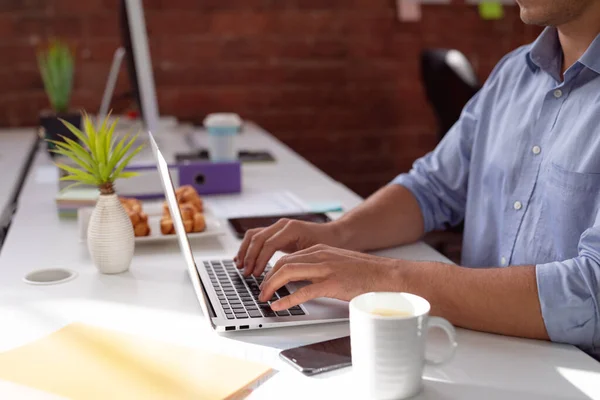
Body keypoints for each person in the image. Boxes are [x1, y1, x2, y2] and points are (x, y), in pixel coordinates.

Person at [236, 0, 600, 358]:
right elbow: (432, 188)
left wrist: (387, 278)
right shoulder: (514, 74)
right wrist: (337, 234)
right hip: (476, 346)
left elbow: (591, 292)